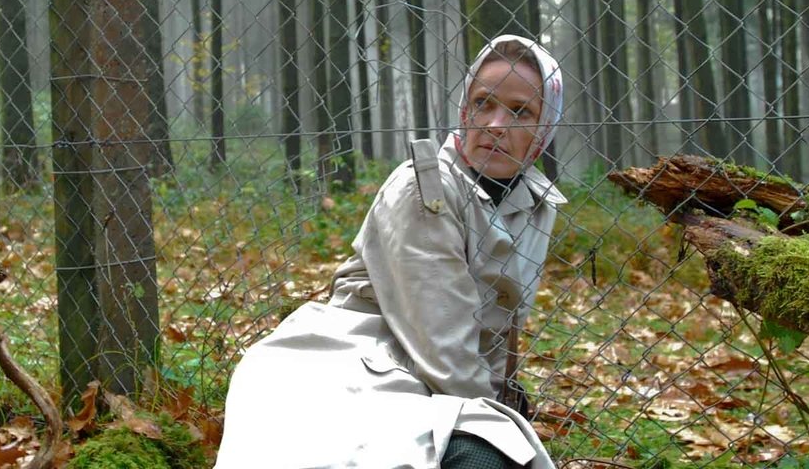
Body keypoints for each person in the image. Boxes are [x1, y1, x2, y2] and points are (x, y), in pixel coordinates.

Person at [214, 35, 567, 469]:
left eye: (519, 111)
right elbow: (442, 344)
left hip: (435, 382)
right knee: (481, 458)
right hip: (355, 367)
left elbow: (499, 334)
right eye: (483, 103)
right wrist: (499, 423)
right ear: (464, 110)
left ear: (544, 128)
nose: (496, 124)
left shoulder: (536, 205)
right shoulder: (425, 187)